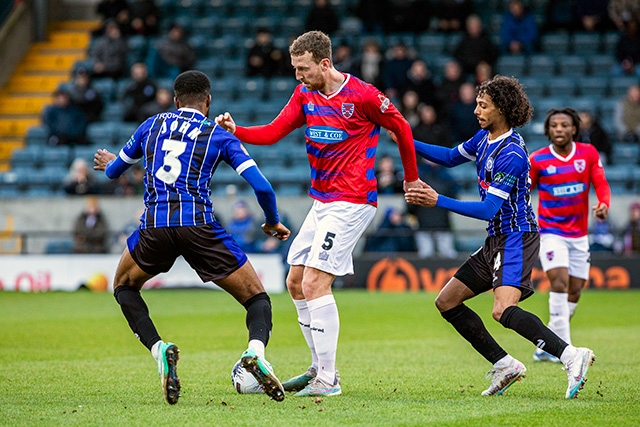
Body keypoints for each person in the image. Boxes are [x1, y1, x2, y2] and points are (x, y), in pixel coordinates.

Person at [215, 30, 422, 397]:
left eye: (303, 68)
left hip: (353, 200)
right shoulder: (304, 94)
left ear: (324, 64)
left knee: (314, 283)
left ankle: (328, 378)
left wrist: (411, 179)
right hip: (323, 201)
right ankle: (318, 368)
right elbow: (274, 132)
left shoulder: (363, 95)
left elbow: (402, 128)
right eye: (295, 68)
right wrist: (238, 131)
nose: (297, 75)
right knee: (295, 281)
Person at [93, 70, 291, 404]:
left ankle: (160, 350)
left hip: (154, 226)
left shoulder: (151, 125)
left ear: (174, 100)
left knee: (124, 286)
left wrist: (111, 162)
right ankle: (255, 353)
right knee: (257, 297)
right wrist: (272, 221)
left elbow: (113, 173)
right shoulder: (217, 134)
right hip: (198, 226)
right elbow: (262, 187)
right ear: (208, 101)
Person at [403, 75, 596, 399]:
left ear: (502, 110)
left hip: (516, 237)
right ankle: (505, 364)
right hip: (497, 238)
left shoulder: (513, 153)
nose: (476, 110)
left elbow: (489, 208)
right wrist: (402, 137)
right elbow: (450, 157)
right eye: (477, 103)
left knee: (502, 310)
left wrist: (438, 200)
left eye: (483, 105)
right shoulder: (484, 137)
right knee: (447, 301)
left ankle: (570, 356)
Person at [529, 107, 611, 363]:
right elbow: (523, 191)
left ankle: (547, 345)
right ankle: (564, 351)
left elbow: (600, 182)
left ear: (574, 128)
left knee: (575, 290)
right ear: (548, 130)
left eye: (564, 125)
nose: (559, 130)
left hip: (578, 235)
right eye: (554, 126)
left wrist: (604, 203)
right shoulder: (539, 159)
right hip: (551, 232)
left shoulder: (587, 154)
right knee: (560, 283)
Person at [407, 158, 458, 258]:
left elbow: (454, 198)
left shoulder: (446, 177)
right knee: (426, 256)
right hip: (424, 224)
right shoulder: (419, 175)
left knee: (447, 255)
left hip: (442, 225)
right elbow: (410, 202)